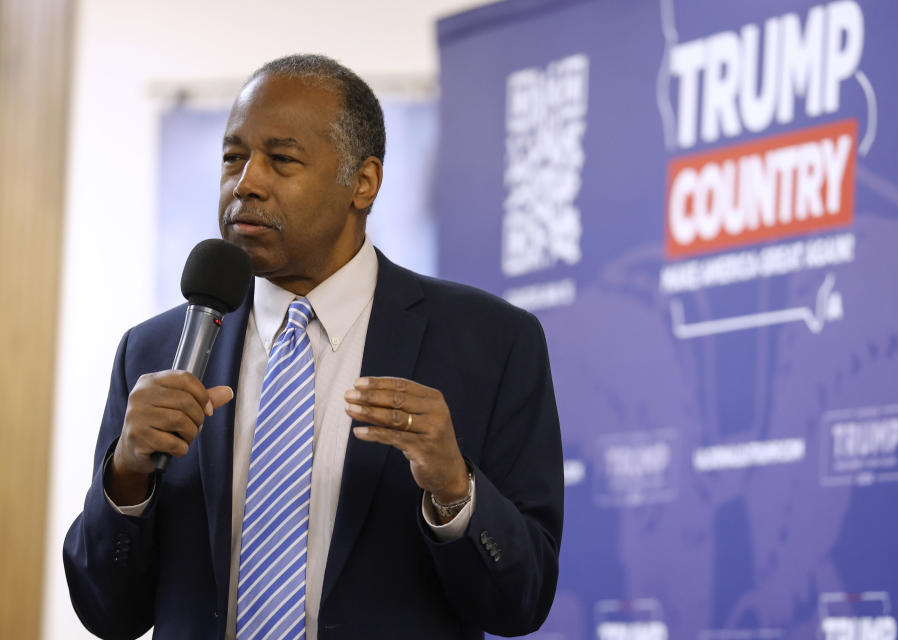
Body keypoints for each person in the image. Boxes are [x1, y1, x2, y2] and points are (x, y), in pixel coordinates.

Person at [63, 54, 563, 640]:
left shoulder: (491, 342)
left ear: (364, 182)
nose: (245, 182)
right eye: (232, 157)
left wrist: (455, 490)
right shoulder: (154, 349)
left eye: (281, 160)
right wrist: (126, 477)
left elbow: (521, 603)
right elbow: (107, 612)